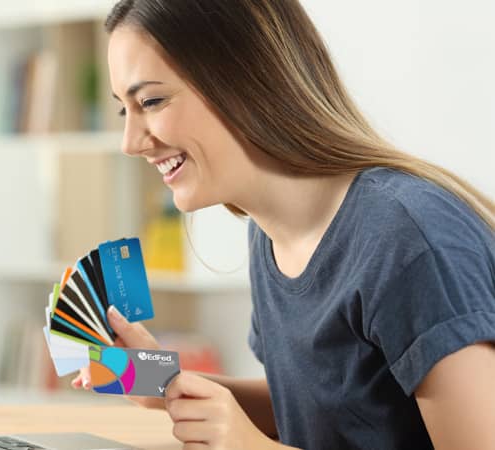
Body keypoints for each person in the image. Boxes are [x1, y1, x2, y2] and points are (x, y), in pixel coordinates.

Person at [71, 1, 495, 449]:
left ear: (246, 82)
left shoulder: (410, 238)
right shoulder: (269, 233)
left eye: (151, 101)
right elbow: (318, 409)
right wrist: (161, 382)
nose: (130, 142)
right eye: (124, 109)